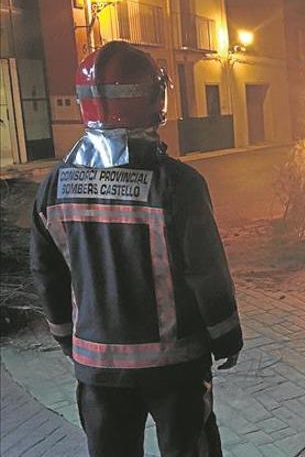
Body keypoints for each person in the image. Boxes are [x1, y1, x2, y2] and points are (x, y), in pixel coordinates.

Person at [30, 41, 243, 457]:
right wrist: (226, 335)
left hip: (98, 371)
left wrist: (65, 338)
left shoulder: (53, 188)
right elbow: (205, 270)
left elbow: (46, 273)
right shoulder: (177, 183)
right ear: (152, 99)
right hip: (175, 368)